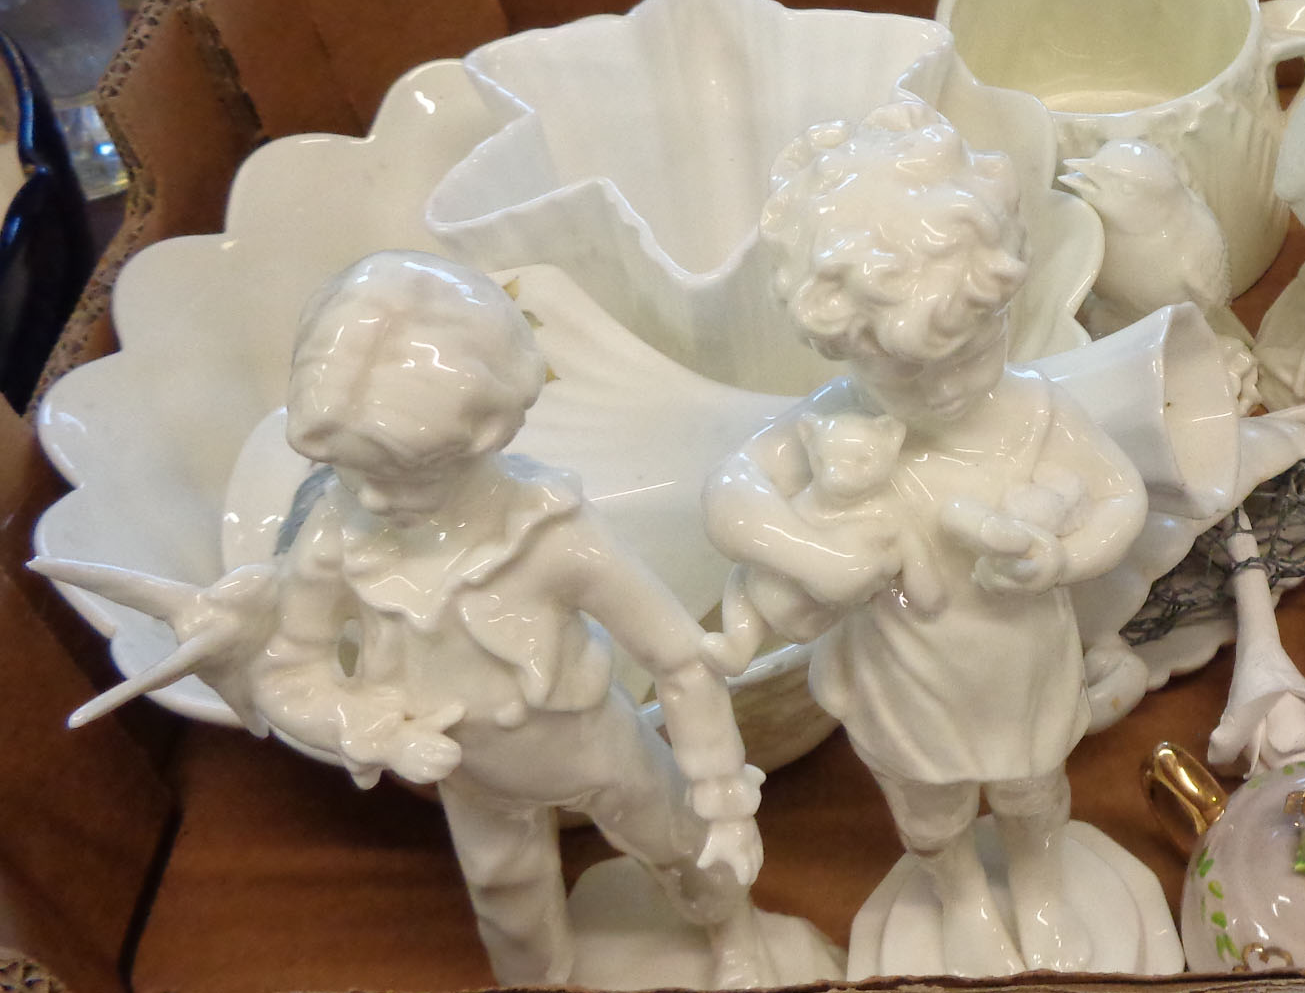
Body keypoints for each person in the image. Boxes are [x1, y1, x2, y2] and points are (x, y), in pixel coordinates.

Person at [49, 251, 780, 988]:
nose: (370, 499)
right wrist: (377, 730)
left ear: (489, 434)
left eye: (406, 477)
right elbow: (291, 674)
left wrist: (718, 788)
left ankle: (735, 937)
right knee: (508, 903)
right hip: (467, 774)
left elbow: (678, 658)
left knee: (681, 842)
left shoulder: (553, 531)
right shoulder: (337, 536)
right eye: (348, 473)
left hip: (592, 737)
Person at [703, 101, 1148, 977]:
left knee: (1030, 789)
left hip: (1018, 664)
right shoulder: (837, 423)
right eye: (902, 370)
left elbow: (1119, 496)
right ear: (840, 348)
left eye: (969, 352)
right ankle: (963, 900)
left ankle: (1041, 885)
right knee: (930, 810)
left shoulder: (1034, 408)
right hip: (903, 679)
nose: (943, 390)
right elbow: (730, 495)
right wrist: (815, 557)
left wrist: (1063, 558)